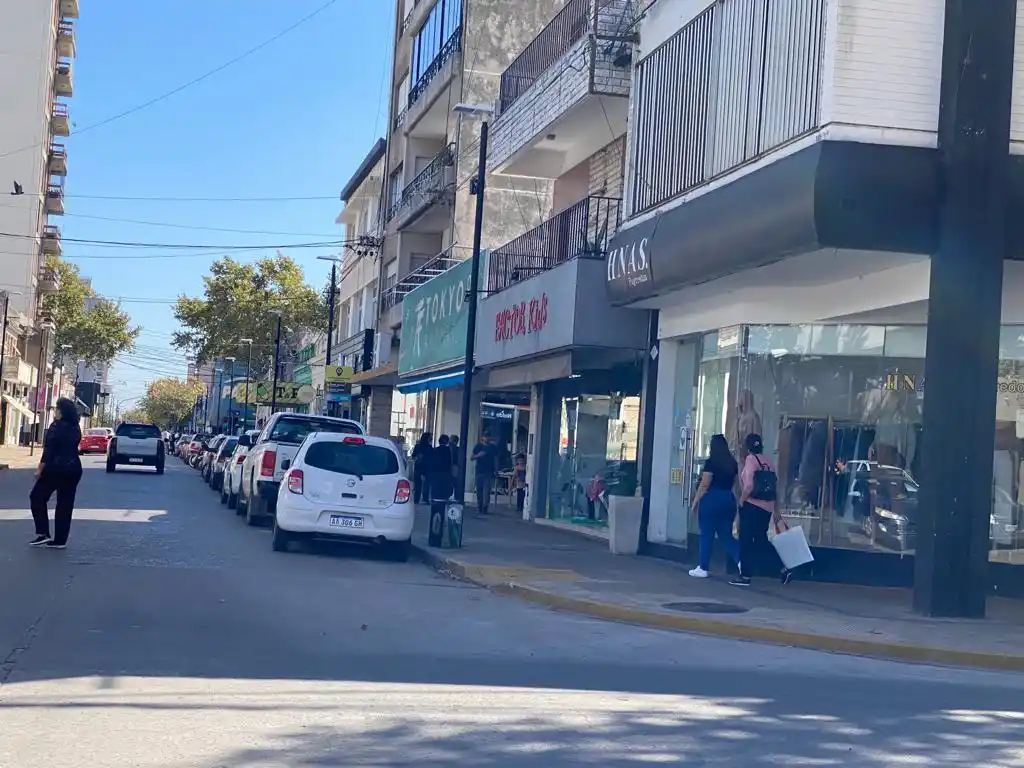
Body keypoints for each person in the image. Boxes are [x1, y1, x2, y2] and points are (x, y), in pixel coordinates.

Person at [732, 433, 791, 586]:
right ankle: (782, 567)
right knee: (761, 540)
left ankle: (744, 576)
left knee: (745, 539)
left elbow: (749, 485)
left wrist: (742, 500)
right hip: (767, 508)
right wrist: (776, 509)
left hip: (752, 505)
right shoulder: (768, 462)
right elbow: (774, 487)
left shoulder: (751, 459)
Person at [29, 397, 83, 549]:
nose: (55, 412)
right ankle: (60, 540)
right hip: (73, 469)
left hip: (56, 468)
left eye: (56, 409)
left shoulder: (56, 426)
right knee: (65, 504)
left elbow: (49, 450)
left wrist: (39, 470)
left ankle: (43, 534)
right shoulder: (76, 427)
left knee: (37, 497)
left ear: (61, 411)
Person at [688, 434, 741, 578]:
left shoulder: (711, 463)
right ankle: (742, 561)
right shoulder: (732, 463)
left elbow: (705, 485)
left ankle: (703, 567)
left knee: (706, 534)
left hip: (711, 499)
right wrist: (738, 503)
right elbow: (737, 486)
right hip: (727, 499)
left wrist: (695, 502)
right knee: (726, 536)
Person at [471, 432, 498, 515]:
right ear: (482, 437)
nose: (487, 438)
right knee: (479, 490)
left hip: (489, 472)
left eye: (488, 436)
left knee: (486, 491)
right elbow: (472, 457)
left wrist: (496, 470)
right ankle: (480, 506)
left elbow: (495, 458)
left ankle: (485, 507)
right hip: (479, 471)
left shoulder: (493, 447)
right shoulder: (478, 446)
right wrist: (478, 455)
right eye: (485, 436)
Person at [429, 435, 455, 502]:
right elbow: (450, 462)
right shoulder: (448, 450)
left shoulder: (435, 450)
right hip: (445, 472)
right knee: (444, 489)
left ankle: (435, 500)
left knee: (436, 488)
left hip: (436, 472)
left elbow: (432, 461)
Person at [410, 432, 433, 504]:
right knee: (426, 484)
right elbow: (431, 460)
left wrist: (417, 458)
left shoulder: (417, 446)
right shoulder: (430, 448)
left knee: (418, 485)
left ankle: (416, 499)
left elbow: (413, 456)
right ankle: (425, 498)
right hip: (427, 469)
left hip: (418, 468)